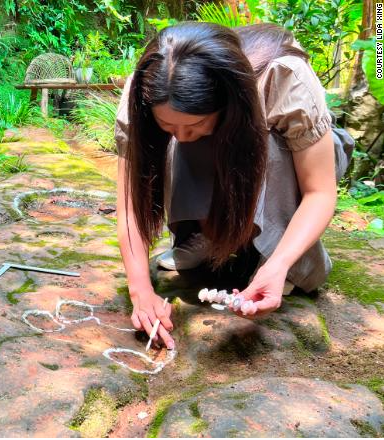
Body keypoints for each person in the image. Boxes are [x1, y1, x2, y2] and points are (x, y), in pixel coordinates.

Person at [114, 22, 355, 349]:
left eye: (196, 123)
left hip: (296, 162)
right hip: (226, 158)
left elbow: (320, 192)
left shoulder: (283, 77)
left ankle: (273, 250)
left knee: (268, 148)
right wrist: (140, 290)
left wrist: (279, 265)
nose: (181, 136)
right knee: (181, 142)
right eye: (167, 125)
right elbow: (129, 204)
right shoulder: (143, 91)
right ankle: (206, 236)